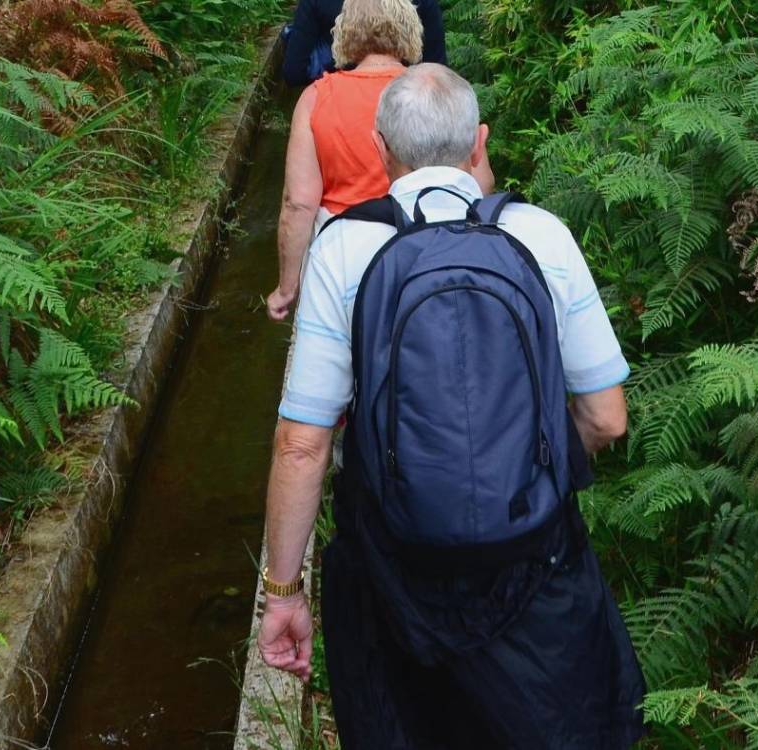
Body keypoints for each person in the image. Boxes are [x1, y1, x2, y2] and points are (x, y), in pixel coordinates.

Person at [257, 64, 647, 748]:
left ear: (381, 150)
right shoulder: (541, 235)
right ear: (479, 141)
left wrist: (284, 593)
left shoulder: (343, 248)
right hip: (534, 566)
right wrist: (533, 472)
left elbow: (301, 442)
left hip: (392, 575)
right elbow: (606, 417)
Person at [267, 0, 493, 322]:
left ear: (343, 33)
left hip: (342, 262)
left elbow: (299, 204)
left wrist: (287, 287)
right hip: (427, 256)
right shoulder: (436, 91)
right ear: (411, 29)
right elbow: (479, 184)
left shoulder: (317, 98)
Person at [282, 0, 447, 86]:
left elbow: (294, 72)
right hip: (406, 107)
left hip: (340, 105)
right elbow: (437, 72)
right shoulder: (423, 3)